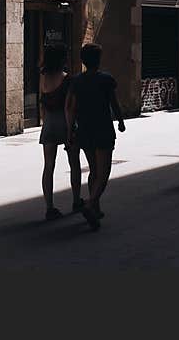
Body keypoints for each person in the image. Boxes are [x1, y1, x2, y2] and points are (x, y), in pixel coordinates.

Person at [65, 43, 125, 230]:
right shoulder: (106, 79)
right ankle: (91, 204)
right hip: (103, 129)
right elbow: (114, 103)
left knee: (93, 170)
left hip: (84, 130)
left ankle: (96, 209)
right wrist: (121, 121)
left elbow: (71, 108)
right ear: (98, 60)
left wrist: (69, 131)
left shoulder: (76, 81)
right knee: (104, 172)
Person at [38, 44, 82, 221]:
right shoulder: (68, 80)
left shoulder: (43, 77)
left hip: (48, 124)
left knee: (48, 167)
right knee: (74, 164)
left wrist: (44, 121)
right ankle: (76, 200)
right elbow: (68, 108)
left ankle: (49, 207)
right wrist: (71, 130)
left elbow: (43, 102)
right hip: (65, 123)